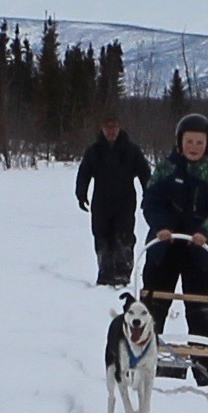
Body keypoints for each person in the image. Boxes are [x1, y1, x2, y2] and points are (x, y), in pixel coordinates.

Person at [140, 112, 208, 385]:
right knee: (152, 305)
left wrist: (205, 231)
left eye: (199, 142)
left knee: (202, 309)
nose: (194, 147)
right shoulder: (167, 168)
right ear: (180, 142)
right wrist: (161, 226)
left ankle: (206, 368)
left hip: (199, 252)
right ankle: (143, 362)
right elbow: (150, 201)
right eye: (189, 141)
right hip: (163, 248)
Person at [74, 113, 151, 285]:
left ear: (119, 127)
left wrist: (148, 194)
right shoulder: (94, 151)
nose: (111, 131)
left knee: (123, 237)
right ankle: (105, 271)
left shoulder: (131, 150)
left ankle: (123, 272)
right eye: (108, 127)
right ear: (102, 128)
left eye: (114, 127)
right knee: (102, 236)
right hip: (101, 201)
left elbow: (145, 174)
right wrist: (81, 193)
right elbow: (84, 173)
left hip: (125, 200)